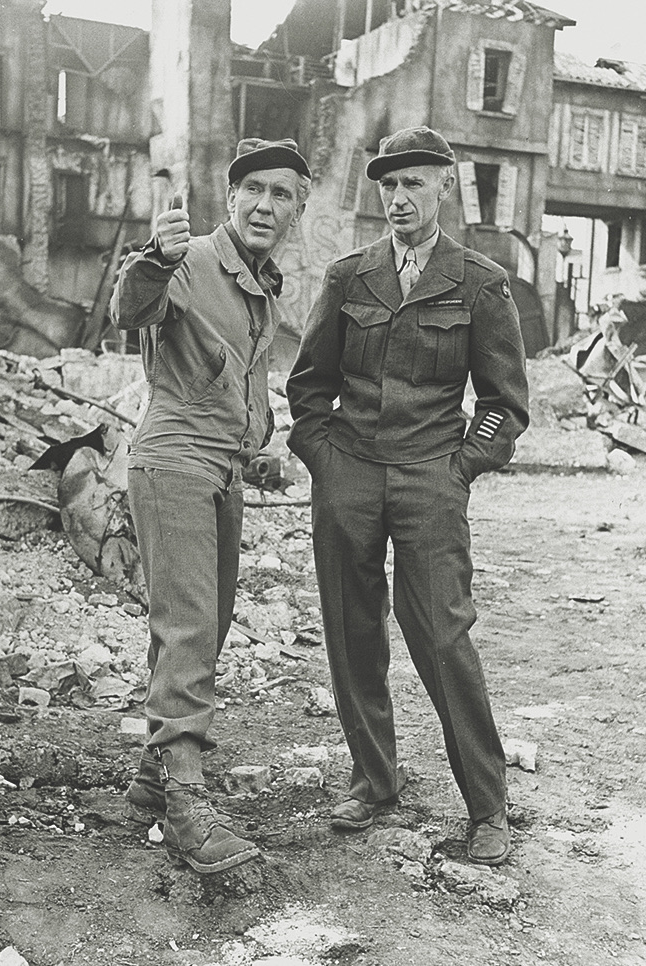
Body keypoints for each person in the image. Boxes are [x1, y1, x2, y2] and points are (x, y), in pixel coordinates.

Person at [286, 127, 529, 866]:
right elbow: (308, 386)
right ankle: (373, 779)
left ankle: (488, 807)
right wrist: (325, 460)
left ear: (445, 187)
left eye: (414, 184)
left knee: (442, 636)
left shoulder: (480, 281)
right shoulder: (349, 275)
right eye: (388, 186)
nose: (398, 199)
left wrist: (463, 467)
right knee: (352, 632)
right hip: (350, 470)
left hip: (430, 476)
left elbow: (504, 400)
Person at [110, 138, 310, 873]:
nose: (265, 205)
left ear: (297, 208)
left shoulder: (260, 281)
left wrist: (258, 451)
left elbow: (234, 386)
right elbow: (129, 310)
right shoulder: (188, 259)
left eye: (281, 194)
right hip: (173, 465)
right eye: (252, 190)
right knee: (191, 623)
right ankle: (188, 805)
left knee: (200, 623)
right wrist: (154, 257)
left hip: (221, 471)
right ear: (230, 199)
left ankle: (149, 783)